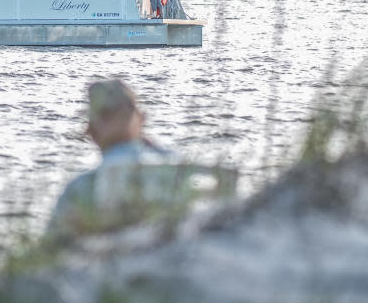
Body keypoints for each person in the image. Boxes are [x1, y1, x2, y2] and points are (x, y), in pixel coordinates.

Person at [47, 80, 235, 239]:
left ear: (91, 132)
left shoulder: (81, 189)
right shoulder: (181, 169)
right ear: (142, 119)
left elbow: (51, 250)